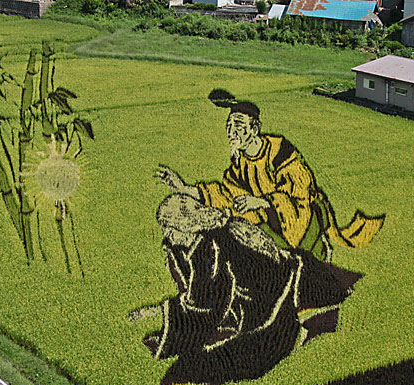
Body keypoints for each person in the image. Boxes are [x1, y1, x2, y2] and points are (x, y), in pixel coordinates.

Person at [133, 194, 362, 385]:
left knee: (189, 370)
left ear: (183, 225)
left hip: (273, 317)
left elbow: (205, 307)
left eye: (168, 230)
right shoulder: (219, 231)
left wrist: (163, 321)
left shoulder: (209, 248)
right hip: (281, 292)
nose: (167, 237)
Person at [155, 89, 385, 262]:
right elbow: (224, 194)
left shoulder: (278, 150)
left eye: (238, 125)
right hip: (264, 218)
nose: (231, 132)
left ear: (254, 129)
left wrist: (262, 202)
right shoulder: (238, 165)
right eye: (228, 126)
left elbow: (300, 190)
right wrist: (183, 188)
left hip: (294, 217)